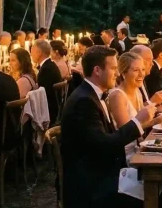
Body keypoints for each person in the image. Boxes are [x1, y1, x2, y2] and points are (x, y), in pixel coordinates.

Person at [61, 46, 154, 208]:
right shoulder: (84, 101)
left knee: (160, 181)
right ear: (97, 70)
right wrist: (138, 122)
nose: (117, 73)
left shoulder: (92, 95)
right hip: (92, 185)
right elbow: (105, 146)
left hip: (104, 172)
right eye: (113, 68)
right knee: (156, 186)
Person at [108, 52, 162, 160]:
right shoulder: (117, 96)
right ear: (123, 73)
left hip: (141, 148)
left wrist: (156, 120)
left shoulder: (137, 91)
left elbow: (139, 123)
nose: (141, 74)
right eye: (136, 70)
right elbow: (127, 131)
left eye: (143, 70)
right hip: (127, 156)